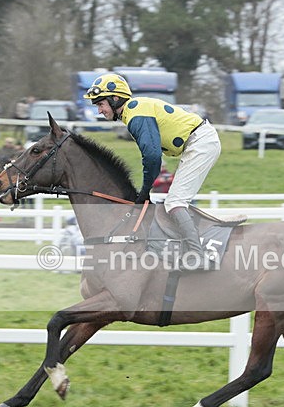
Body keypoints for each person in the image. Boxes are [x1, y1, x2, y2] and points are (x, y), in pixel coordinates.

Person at [84, 72, 221, 270]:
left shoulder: (135, 112)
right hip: (198, 141)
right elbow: (154, 155)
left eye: (100, 104)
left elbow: (152, 156)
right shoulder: (133, 111)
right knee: (173, 201)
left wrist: (145, 190)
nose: (99, 111)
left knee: (175, 202)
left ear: (115, 99)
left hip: (200, 142)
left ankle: (196, 255)